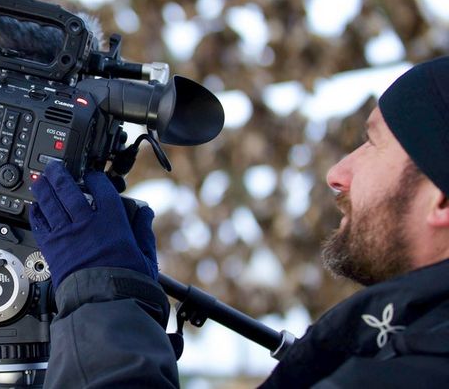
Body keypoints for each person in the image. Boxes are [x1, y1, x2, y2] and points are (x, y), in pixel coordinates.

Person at [29, 56, 449, 388]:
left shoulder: (417, 369)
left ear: (442, 202)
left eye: (373, 143)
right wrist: (127, 302)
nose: (337, 173)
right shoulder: (400, 344)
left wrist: (103, 297)